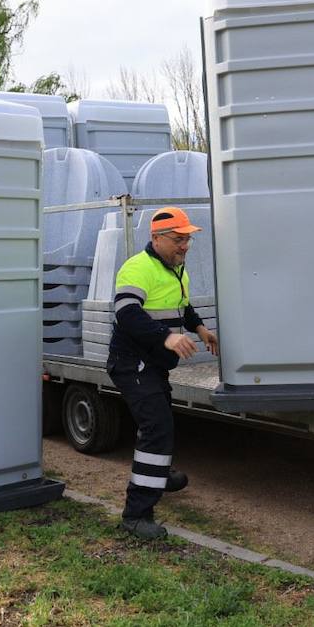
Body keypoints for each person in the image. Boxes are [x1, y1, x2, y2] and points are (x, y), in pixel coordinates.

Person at [108, 205, 219, 540]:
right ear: (156, 238)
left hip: (153, 365)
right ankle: (136, 515)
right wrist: (166, 337)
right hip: (132, 363)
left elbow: (181, 306)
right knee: (156, 427)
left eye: (187, 239)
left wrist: (199, 329)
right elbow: (127, 313)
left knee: (158, 423)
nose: (184, 246)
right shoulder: (136, 268)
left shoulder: (176, 270)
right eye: (177, 239)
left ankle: (157, 473)